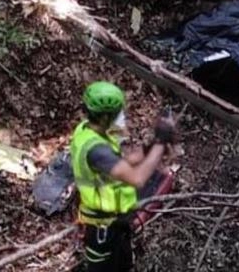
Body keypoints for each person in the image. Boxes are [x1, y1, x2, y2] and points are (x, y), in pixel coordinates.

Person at [70, 81, 177, 272]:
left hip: (117, 221)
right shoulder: (96, 151)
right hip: (102, 228)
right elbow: (137, 178)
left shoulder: (90, 131)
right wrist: (161, 142)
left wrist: (150, 149)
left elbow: (124, 162)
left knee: (124, 264)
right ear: (104, 117)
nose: (120, 117)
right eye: (116, 113)